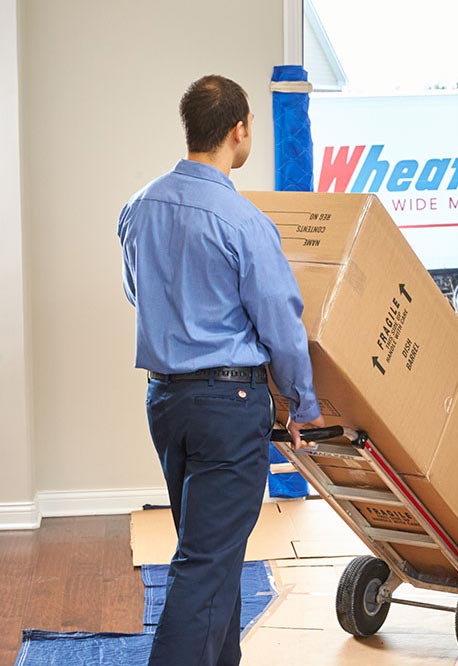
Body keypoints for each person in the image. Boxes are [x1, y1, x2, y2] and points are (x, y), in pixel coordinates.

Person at [118, 74, 323, 666]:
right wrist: (302, 404)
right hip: (227, 410)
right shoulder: (244, 222)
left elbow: (139, 292)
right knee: (206, 564)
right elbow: (282, 324)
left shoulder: (138, 207)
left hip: (166, 403)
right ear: (239, 130)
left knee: (212, 554)